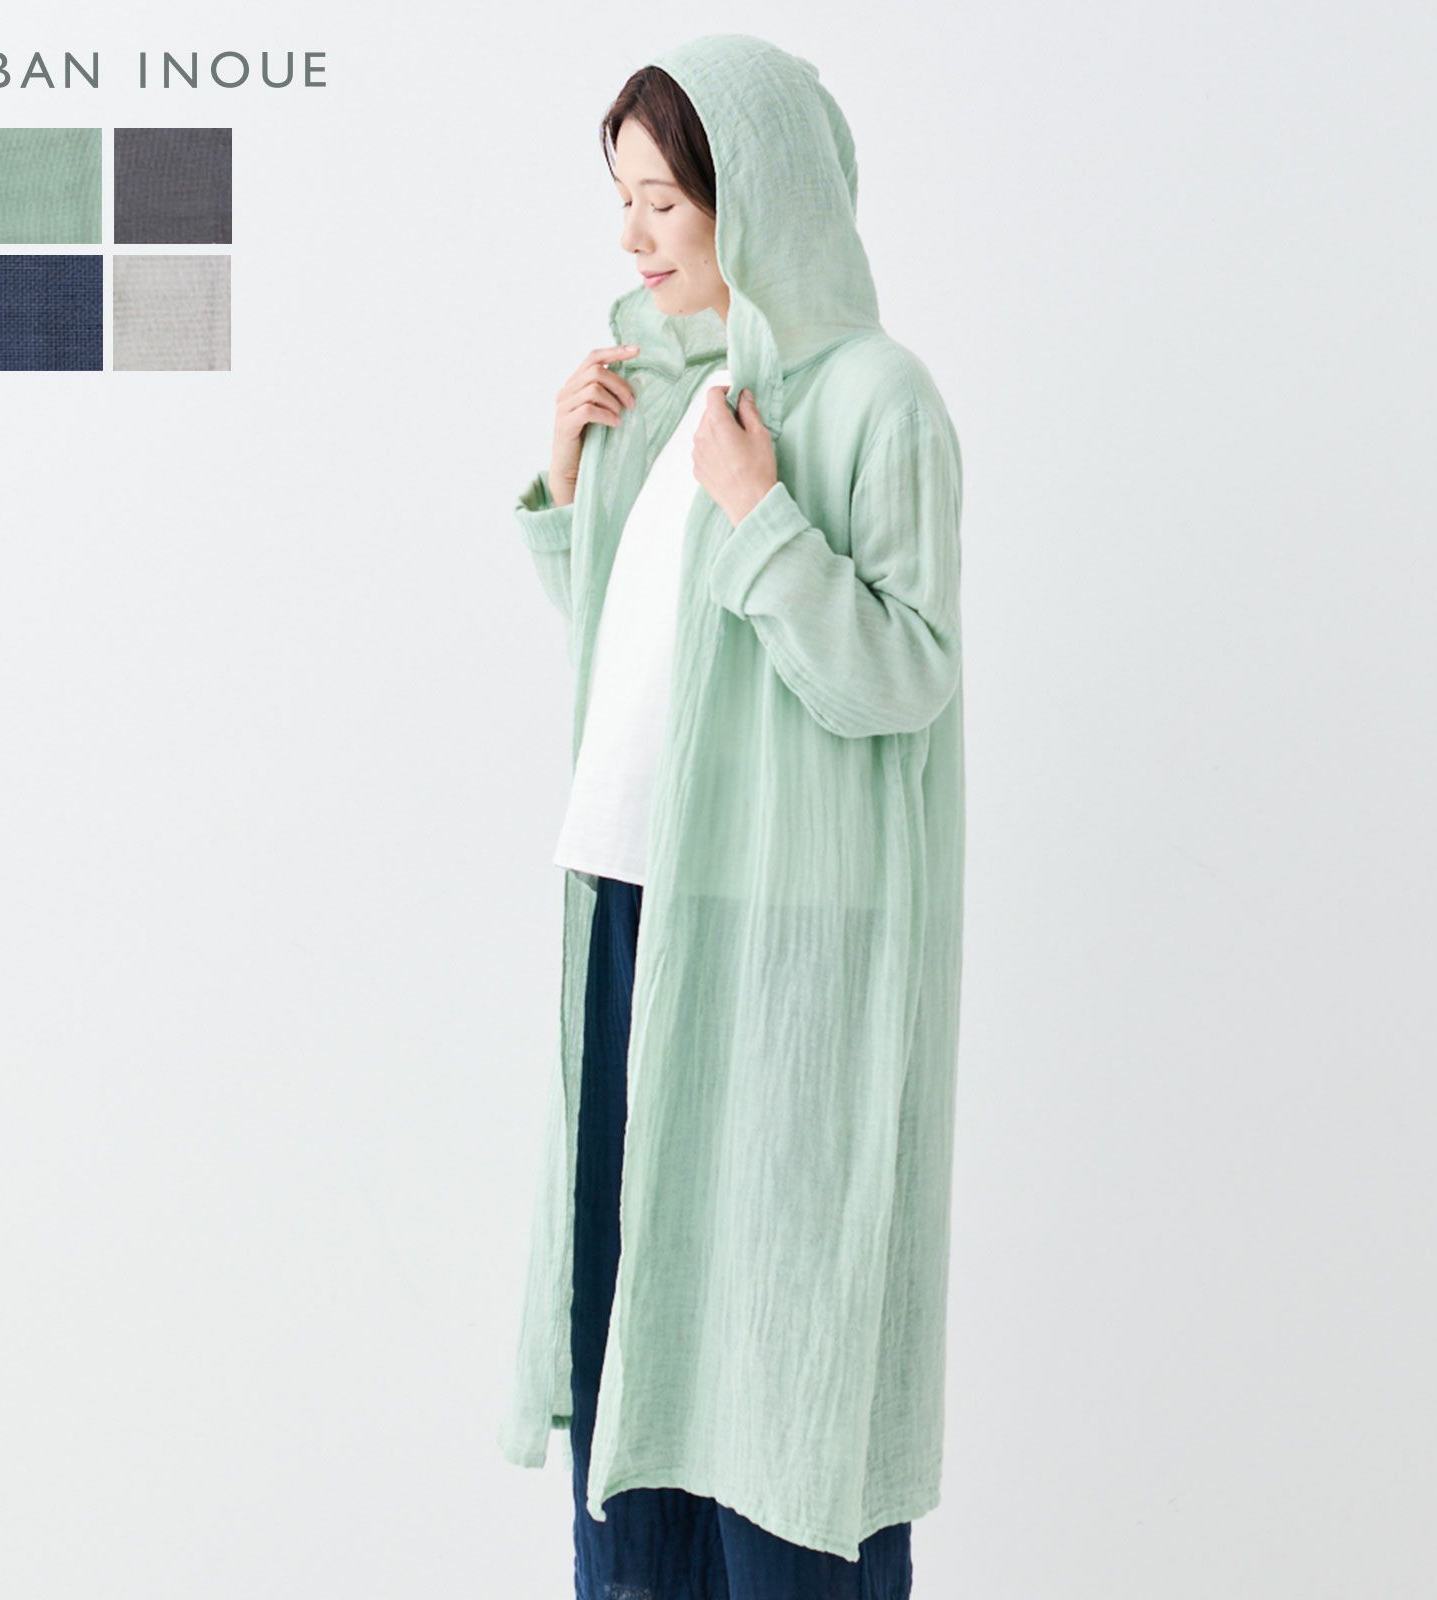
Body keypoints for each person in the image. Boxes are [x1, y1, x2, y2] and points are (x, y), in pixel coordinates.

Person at [499, 34, 966, 1600]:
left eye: (663, 202)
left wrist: (762, 514)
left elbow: (902, 675)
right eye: (624, 200)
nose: (634, 237)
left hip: (785, 923)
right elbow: (649, 671)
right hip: (635, 900)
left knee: (779, 1349)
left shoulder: (878, 400)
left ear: (753, 194)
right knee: (638, 1321)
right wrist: (574, 483)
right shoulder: (682, 390)